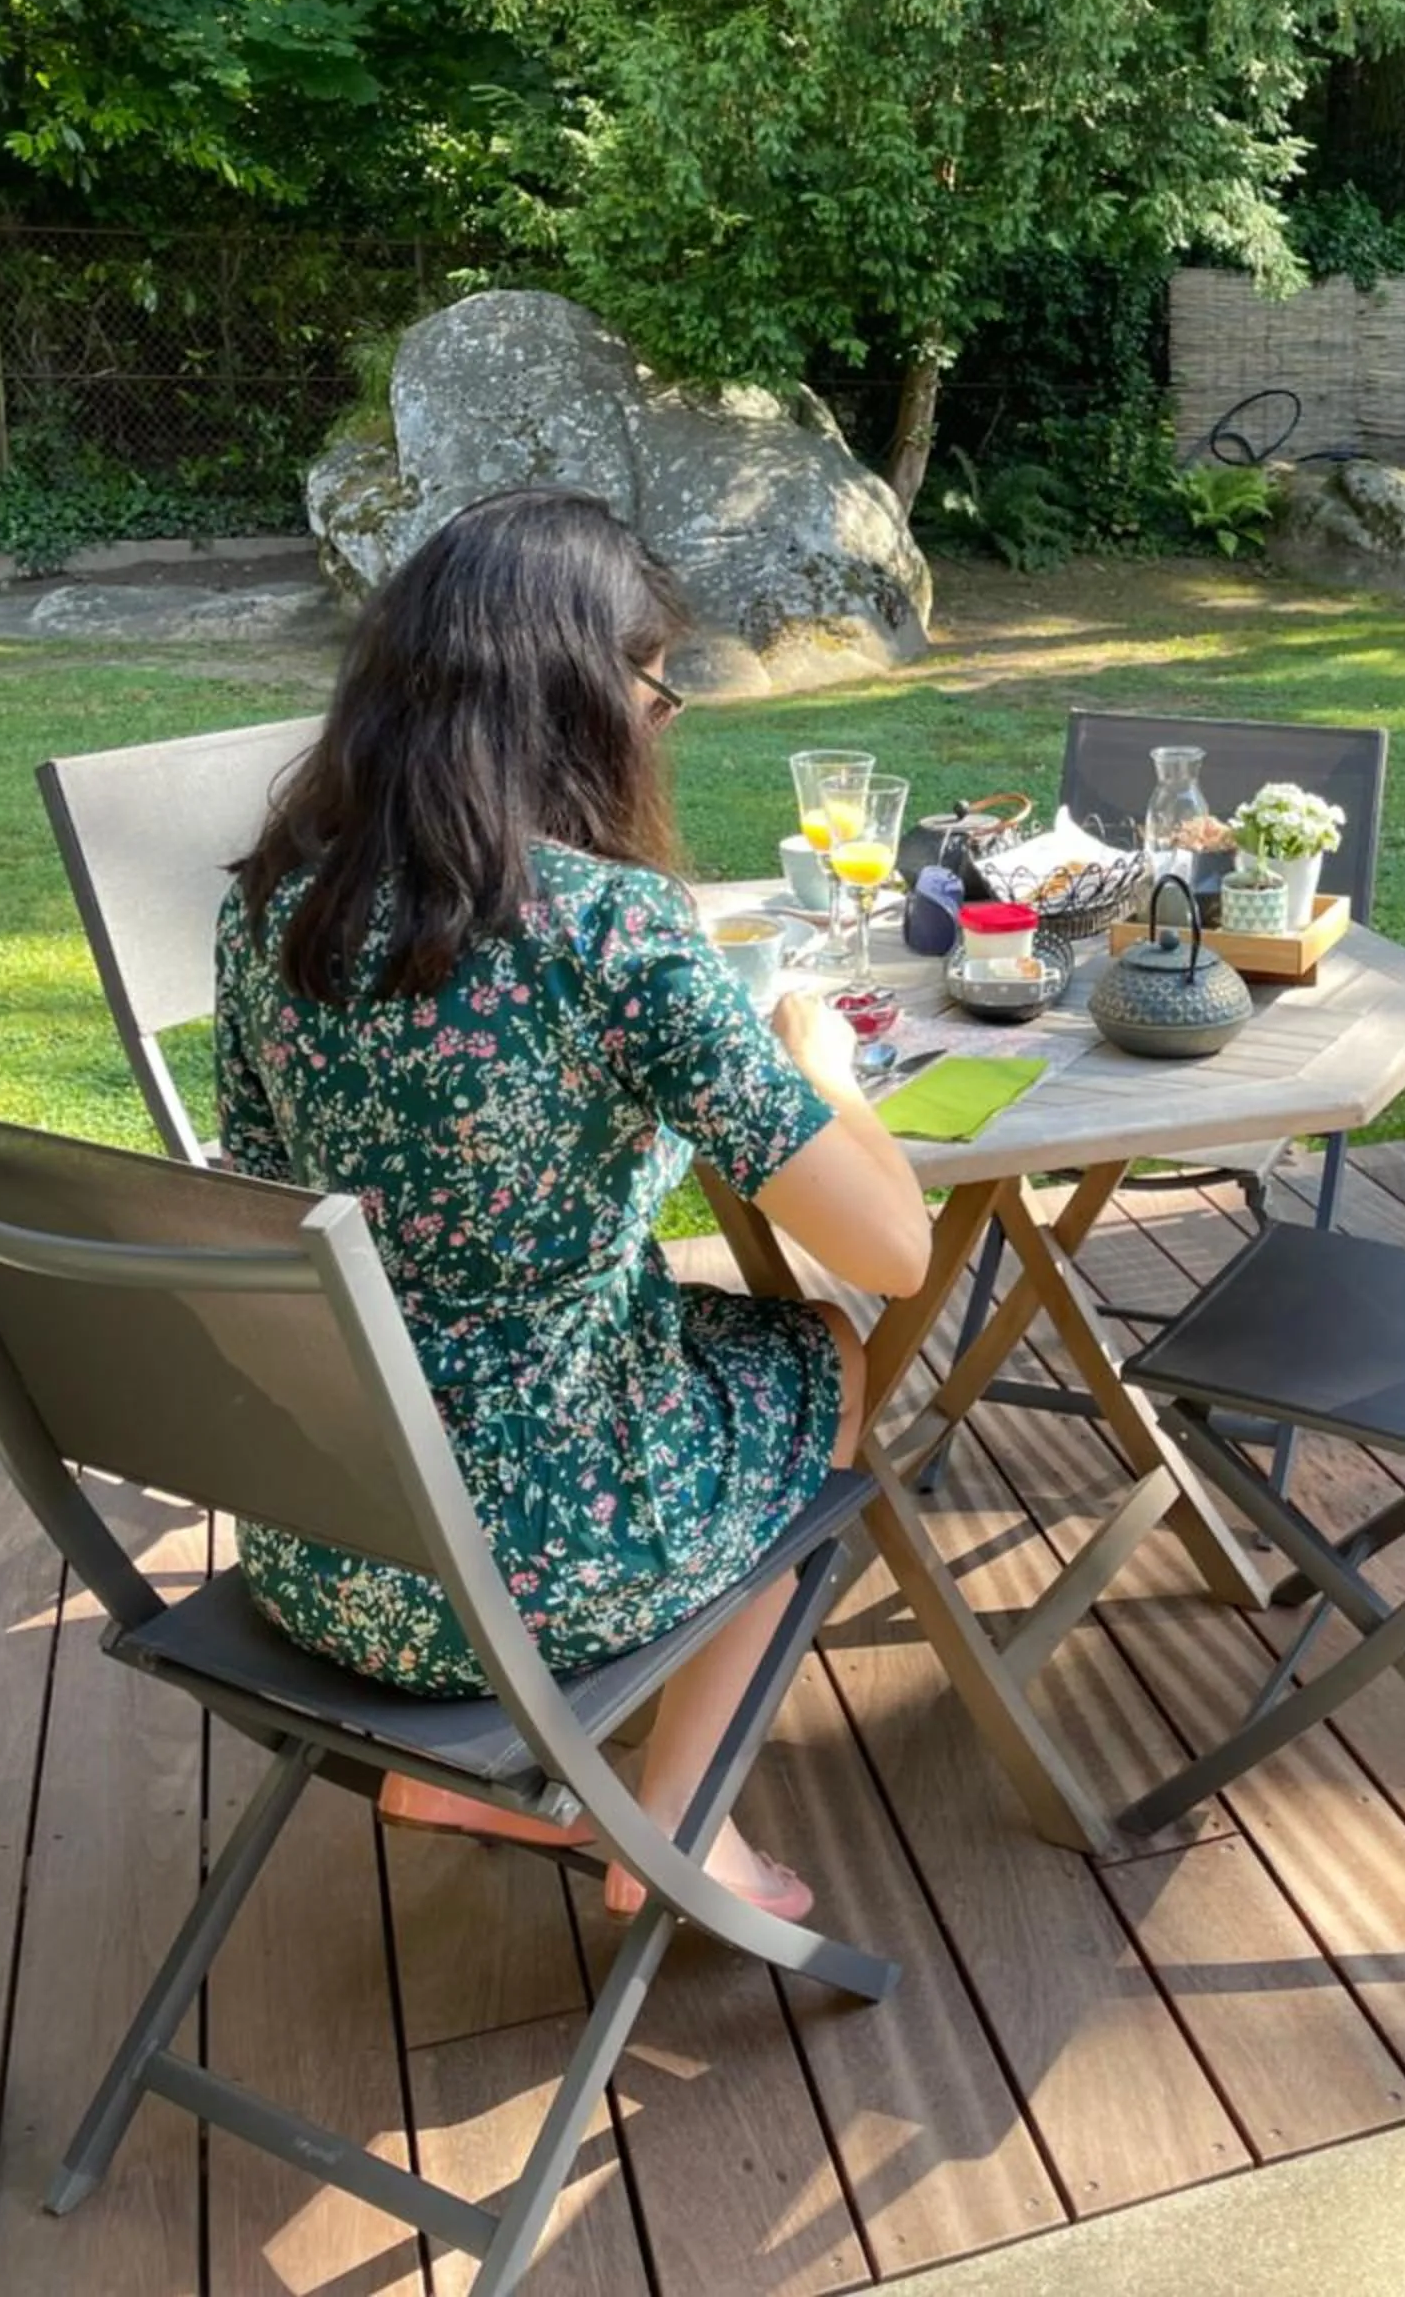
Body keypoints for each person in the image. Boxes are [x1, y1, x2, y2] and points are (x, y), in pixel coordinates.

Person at [216, 486, 930, 1923]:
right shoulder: (609, 931)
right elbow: (894, 1251)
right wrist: (823, 1068)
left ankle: (458, 1775)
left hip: (324, 1545)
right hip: (525, 1567)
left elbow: (258, 1183)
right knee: (826, 1354)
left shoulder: (273, 904)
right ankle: (669, 1829)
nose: (659, 720)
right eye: (655, 690)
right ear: (578, 698)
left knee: (704, 1345)